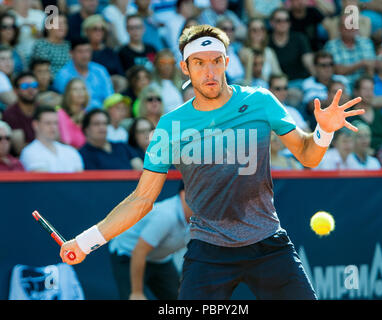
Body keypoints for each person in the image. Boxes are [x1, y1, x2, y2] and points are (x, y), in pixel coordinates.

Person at [60, 24, 364, 300]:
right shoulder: (170, 126)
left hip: (268, 244)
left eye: (216, 61)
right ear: (185, 68)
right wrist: (85, 242)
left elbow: (308, 156)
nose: (210, 72)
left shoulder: (260, 101)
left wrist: (324, 130)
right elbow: (141, 199)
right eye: (199, 63)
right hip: (209, 252)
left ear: (227, 63)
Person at [109, 182, 191, 300]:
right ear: (184, 195)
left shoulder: (203, 219)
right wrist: (137, 293)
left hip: (160, 259)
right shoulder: (166, 216)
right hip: (128, 255)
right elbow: (139, 252)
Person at [53, 37, 114, 110]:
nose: (85, 55)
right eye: (80, 51)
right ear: (71, 53)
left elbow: (110, 97)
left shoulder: (100, 70)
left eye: (87, 51)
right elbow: (65, 102)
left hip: (102, 113)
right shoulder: (63, 75)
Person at [19, 106, 84, 172]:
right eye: (48, 123)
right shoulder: (29, 152)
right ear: (35, 125)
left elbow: (80, 179)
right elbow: (44, 180)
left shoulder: (71, 151)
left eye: (56, 123)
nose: (53, 127)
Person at [79, 109, 143, 170]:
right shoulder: (83, 154)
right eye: (96, 124)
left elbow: (141, 171)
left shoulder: (122, 147)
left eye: (105, 123)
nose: (102, 127)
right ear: (86, 129)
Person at [324, 13, 376, 88]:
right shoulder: (331, 46)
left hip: (364, 88)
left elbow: (371, 67)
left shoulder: (366, 43)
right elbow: (337, 70)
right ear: (340, 28)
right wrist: (361, 63)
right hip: (343, 88)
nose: (351, 27)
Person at [2, 71, 39, 155]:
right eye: (25, 86)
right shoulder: (10, 114)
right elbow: (20, 149)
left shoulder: (43, 110)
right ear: (15, 91)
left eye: (34, 85)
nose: (31, 89)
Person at [351, 76, 382, 153]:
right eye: (365, 89)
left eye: (371, 89)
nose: (369, 93)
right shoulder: (348, 115)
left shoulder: (379, 115)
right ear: (356, 92)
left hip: (381, 154)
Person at [239, 18, 281, 88]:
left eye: (262, 29)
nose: (259, 32)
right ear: (249, 33)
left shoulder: (269, 51)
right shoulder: (244, 51)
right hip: (252, 89)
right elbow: (247, 80)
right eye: (254, 30)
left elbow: (278, 74)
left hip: (268, 89)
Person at [31, 13, 71, 77]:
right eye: (58, 23)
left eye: (64, 23)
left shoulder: (69, 45)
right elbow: (43, 70)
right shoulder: (41, 45)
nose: (62, 26)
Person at [57, 78, 88, 149]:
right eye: (75, 89)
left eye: (83, 89)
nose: (80, 92)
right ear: (68, 93)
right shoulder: (60, 114)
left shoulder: (87, 115)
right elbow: (65, 142)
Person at [150, 49, 184, 114]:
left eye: (170, 62)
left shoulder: (182, 84)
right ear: (156, 64)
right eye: (163, 62)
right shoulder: (152, 87)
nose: (167, 66)